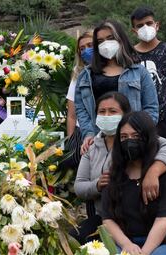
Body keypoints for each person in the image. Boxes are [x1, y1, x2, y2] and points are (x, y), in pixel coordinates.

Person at [73, 92, 166, 244]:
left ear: (125, 114)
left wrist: (153, 171)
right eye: (102, 112)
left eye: (113, 111)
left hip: (139, 216)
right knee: (77, 237)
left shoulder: (136, 139)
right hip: (105, 217)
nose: (107, 116)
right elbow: (79, 186)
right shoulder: (91, 147)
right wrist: (97, 184)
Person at [102, 111, 166, 255]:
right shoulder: (114, 172)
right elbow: (107, 218)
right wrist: (126, 245)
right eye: (124, 137)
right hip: (126, 240)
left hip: (164, 242)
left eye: (136, 136)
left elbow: (164, 219)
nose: (130, 141)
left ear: (148, 137)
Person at [74, 19, 159, 155]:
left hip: (132, 142)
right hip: (99, 142)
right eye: (100, 41)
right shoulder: (85, 76)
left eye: (110, 38)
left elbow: (151, 108)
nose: (106, 44)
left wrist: (137, 132)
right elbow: (81, 110)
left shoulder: (139, 72)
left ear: (120, 39)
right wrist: (88, 133)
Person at [131, 6, 166, 144]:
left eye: (149, 23)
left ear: (157, 25)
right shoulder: (129, 54)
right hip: (137, 120)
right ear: (134, 31)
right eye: (140, 25)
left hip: (165, 118)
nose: (145, 27)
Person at [66, 30, 93, 169]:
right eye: (82, 49)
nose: (86, 51)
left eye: (90, 45)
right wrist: (71, 142)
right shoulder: (78, 75)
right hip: (82, 135)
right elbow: (71, 114)